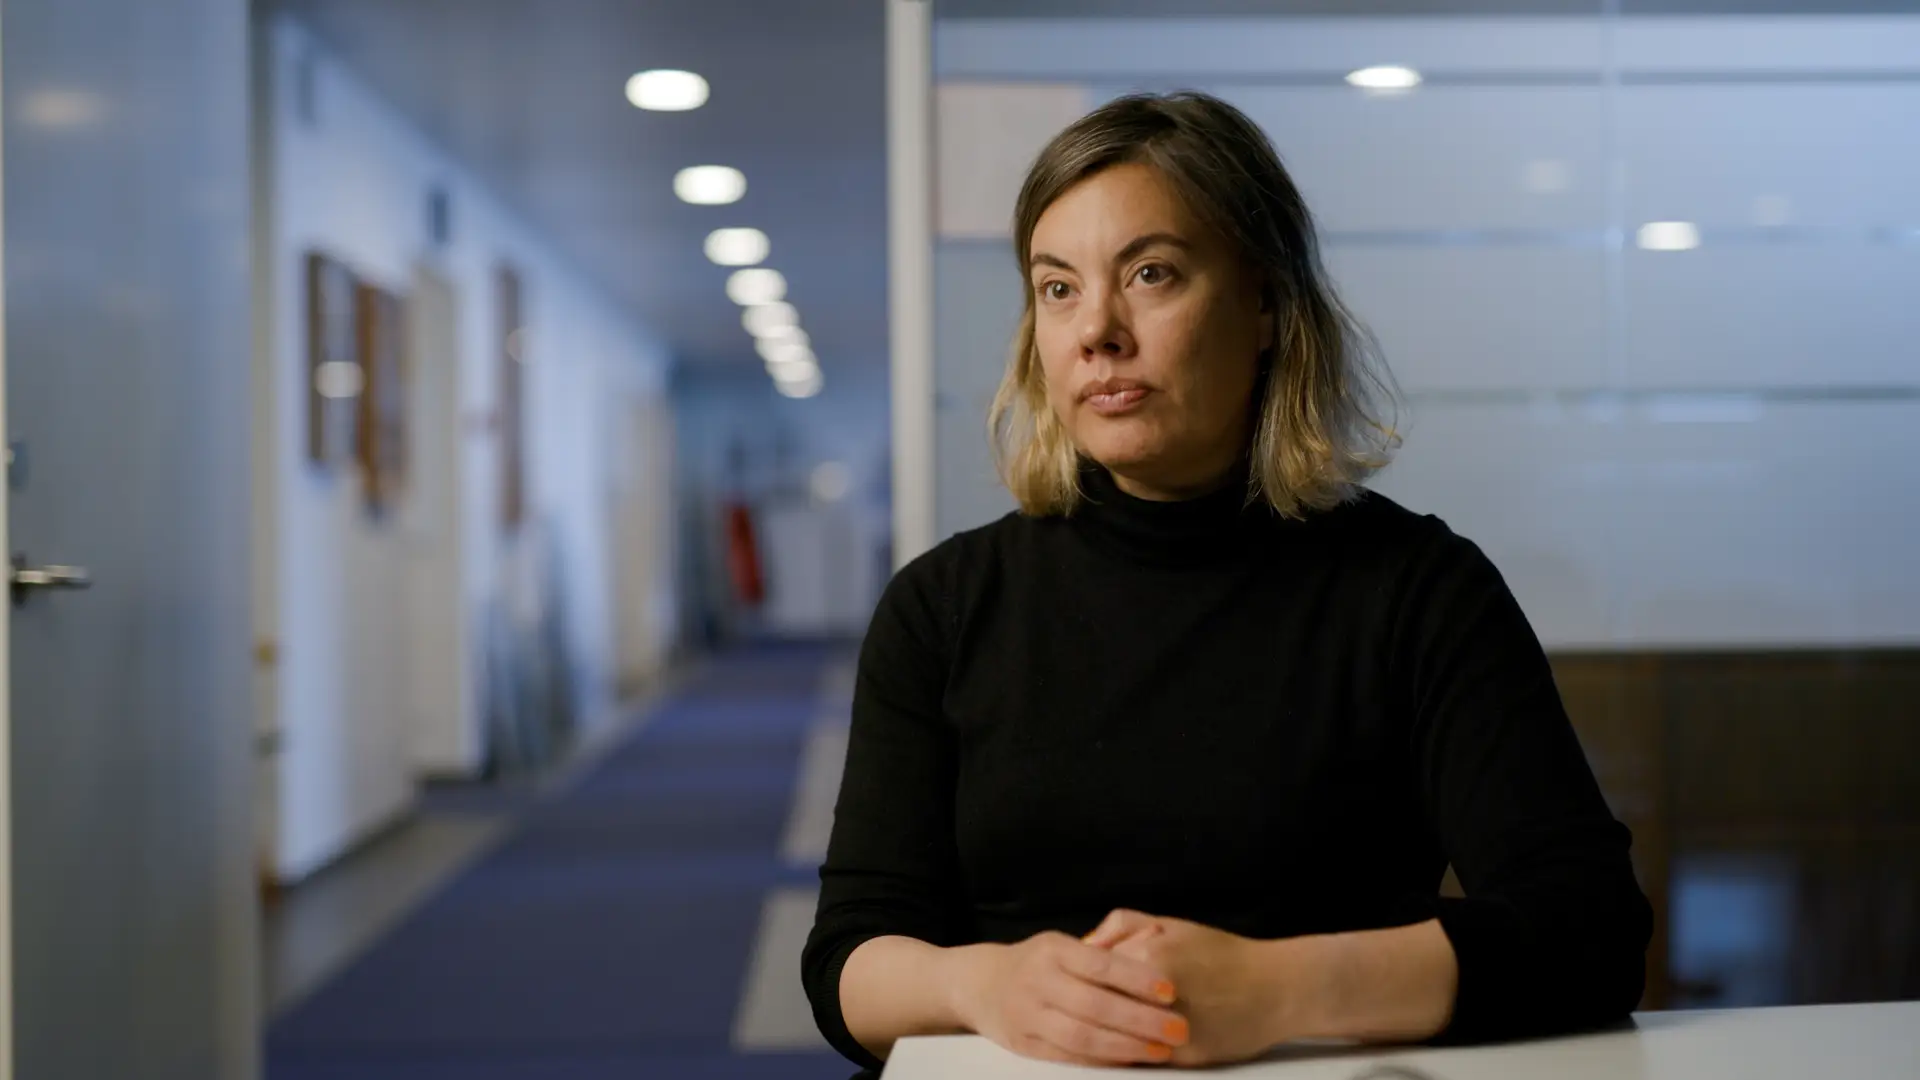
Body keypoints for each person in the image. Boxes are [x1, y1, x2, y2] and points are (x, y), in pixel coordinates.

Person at [802, 91, 1651, 1076]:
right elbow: (847, 962)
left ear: (1265, 303)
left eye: (1151, 274)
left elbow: (1588, 930)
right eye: (1058, 288)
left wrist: (1277, 987)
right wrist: (980, 984)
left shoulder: (1418, 590)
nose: (1098, 332)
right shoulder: (940, 609)